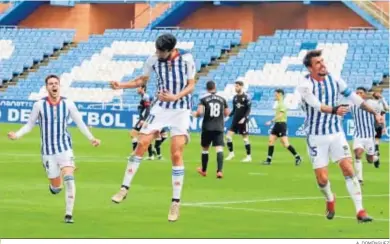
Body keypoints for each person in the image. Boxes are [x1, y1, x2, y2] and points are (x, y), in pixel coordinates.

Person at [109, 33, 196, 222]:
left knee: (176, 153)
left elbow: (191, 85)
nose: (157, 53)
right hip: (161, 106)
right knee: (142, 143)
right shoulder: (153, 59)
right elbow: (142, 80)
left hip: (181, 108)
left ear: (171, 50)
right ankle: (124, 188)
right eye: (156, 50)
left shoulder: (187, 59)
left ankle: (175, 202)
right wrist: (121, 85)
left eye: (161, 51)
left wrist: (175, 96)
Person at [297, 50, 382, 222]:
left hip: (336, 133)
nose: (323, 65)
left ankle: (360, 211)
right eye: (318, 63)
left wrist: (374, 113)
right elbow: (316, 104)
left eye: (323, 61)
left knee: (348, 169)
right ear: (310, 68)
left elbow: (354, 98)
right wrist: (334, 110)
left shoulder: (334, 79)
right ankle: (329, 198)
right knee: (322, 179)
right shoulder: (304, 85)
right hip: (316, 136)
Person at [7, 74, 101, 224]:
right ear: (47, 87)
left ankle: (68, 214)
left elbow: (80, 122)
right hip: (48, 152)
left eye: (56, 83)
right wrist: (17, 135)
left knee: (69, 178)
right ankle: (54, 186)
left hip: (64, 148)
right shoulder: (39, 105)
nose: (54, 86)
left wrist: (91, 138)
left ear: (59, 86)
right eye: (50, 84)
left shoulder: (68, 104)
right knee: (56, 187)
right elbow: (30, 124)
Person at [193, 81, 229, 178]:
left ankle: (204, 170)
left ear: (207, 88)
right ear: (215, 87)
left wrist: (195, 114)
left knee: (205, 149)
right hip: (219, 127)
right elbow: (227, 113)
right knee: (219, 149)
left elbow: (200, 112)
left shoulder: (203, 99)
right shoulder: (222, 99)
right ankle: (219, 171)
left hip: (207, 127)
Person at [263, 89, 302, 166]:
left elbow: (280, 115)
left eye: (276, 94)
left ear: (280, 94)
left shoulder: (282, 105)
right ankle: (268, 160)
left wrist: (271, 121)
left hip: (281, 125)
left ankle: (297, 157)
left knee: (285, 143)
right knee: (271, 141)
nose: (275, 96)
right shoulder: (279, 104)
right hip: (277, 125)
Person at [350, 87, 381, 185]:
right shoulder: (351, 104)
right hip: (358, 135)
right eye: (357, 92)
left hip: (369, 136)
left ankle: (376, 158)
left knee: (370, 159)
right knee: (358, 154)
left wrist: (380, 121)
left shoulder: (372, 104)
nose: (358, 94)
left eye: (361, 92)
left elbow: (380, 112)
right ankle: (359, 179)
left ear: (365, 94)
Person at [225, 80, 252, 162]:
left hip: (243, 121)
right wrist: (227, 117)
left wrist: (244, 118)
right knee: (228, 137)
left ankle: (248, 156)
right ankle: (231, 153)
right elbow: (234, 110)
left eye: (237, 86)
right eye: (235, 86)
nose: (235, 88)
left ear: (241, 86)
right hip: (235, 120)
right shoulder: (235, 98)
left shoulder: (246, 97)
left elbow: (249, 109)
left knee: (245, 139)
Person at [131, 85, 156, 160]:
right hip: (145, 119)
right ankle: (151, 155)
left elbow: (148, 109)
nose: (136, 89)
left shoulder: (145, 97)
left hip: (144, 119)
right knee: (144, 137)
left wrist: (144, 120)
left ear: (142, 88)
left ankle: (135, 154)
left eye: (138, 87)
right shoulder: (143, 96)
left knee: (133, 134)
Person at [371, 91, 388, 158]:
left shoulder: (371, 103)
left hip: (372, 123)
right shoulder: (381, 104)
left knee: (373, 138)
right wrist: (384, 127)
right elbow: (385, 110)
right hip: (378, 123)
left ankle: (374, 150)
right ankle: (376, 148)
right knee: (377, 138)